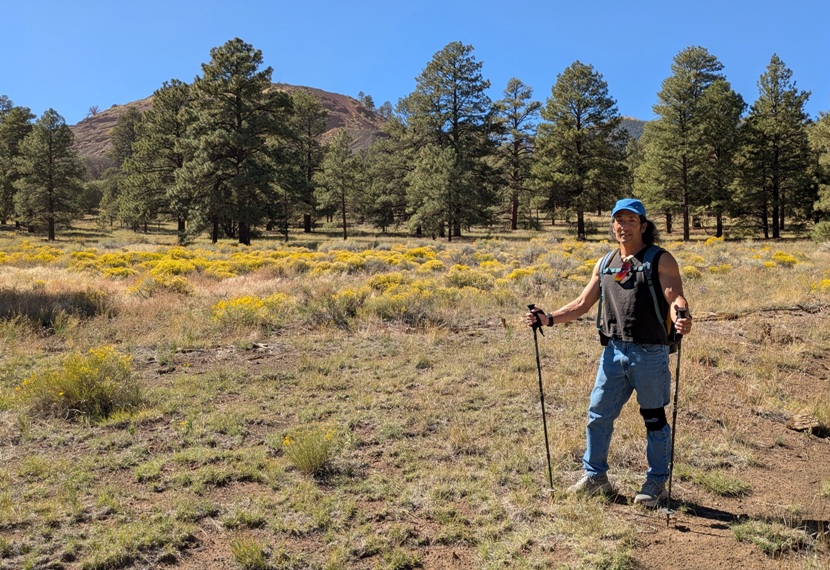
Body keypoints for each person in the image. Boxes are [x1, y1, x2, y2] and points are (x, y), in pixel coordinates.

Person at [525, 198, 692, 507]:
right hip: (613, 351)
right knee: (598, 416)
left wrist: (681, 314)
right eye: (619, 220)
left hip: (650, 352)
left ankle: (656, 483)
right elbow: (581, 304)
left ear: (643, 225)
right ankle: (596, 478)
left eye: (631, 220)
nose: (623, 226)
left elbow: (674, 295)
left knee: (653, 419)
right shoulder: (605, 263)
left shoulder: (660, 259)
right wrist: (547, 318)